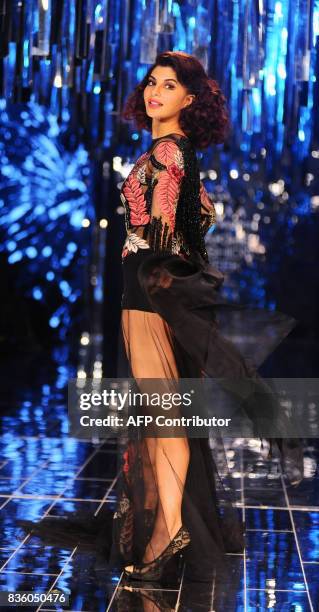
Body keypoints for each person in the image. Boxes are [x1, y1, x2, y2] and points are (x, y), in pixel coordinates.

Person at [109, 50, 301, 584]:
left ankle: (170, 532)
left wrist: (169, 270)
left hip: (150, 289)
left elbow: (180, 227)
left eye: (170, 87)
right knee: (160, 414)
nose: (155, 92)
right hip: (145, 286)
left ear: (188, 100)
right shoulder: (168, 150)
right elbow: (199, 212)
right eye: (152, 83)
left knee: (162, 416)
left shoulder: (172, 150)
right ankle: (169, 529)